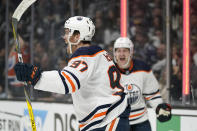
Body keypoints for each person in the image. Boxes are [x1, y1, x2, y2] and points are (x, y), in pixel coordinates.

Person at [14, 16, 130, 131]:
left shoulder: (85, 54)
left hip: (108, 120)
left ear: (77, 36)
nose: (64, 37)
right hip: (106, 120)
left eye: (67, 33)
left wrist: (35, 76)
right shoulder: (97, 53)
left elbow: (69, 82)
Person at [113, 37, 172, 131]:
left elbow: (152, 94)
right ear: (114, 53)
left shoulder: (143, 68)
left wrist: (159, 108)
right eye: (118, 51)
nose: (121, 54)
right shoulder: (108, 71)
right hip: (117, 123)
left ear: (131, 52)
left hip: (141, 122)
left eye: (125, 51)